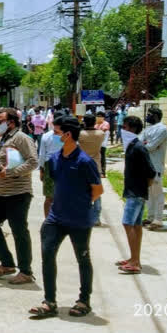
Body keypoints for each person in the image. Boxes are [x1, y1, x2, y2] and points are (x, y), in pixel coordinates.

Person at [29, 116, 103, 319]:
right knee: (47, 255)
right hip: (56, 218)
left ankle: (83, 300)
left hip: (79, 219)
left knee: (82, 258)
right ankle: (49, 301)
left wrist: (79, 204)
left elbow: (97, 190)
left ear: (68, 134)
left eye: (57, 131)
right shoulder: (54, 159)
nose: (54, 135)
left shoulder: (85, 162)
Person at [0, 109, 38, 285]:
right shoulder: (3, 137)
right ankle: (7, 264)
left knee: (19, 231)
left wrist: (11, 172)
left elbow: (33, 161)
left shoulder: (21, 138)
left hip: (17, 193)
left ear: (12, 122)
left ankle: (25, 271)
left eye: (1, 120)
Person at [115, 116, 156, 274]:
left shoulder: (138, 147)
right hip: (135, 191)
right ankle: (134, 258)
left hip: (136, 192)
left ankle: (134, 261)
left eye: (124, 127)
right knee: (136, 225)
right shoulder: (132, 146)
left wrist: (143, 187)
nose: (122, 130)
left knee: (128, 223)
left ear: (131, 128)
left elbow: (151, 171)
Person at [142, 108, 167, 230]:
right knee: (149, 193)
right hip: (146, 165)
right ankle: (150, 216)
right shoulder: (147, 129)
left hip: (156, 165)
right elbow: (140, 142)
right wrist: (145, 144)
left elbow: (151, 146)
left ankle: (158, 219)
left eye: (150, 115)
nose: (147, 116)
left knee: (157, 193)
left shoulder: (162, 129)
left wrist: (145, 144)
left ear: (157, 116)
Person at [79, 115, 106, 225]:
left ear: (84, 122)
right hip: (96, 165)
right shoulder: (101, 134)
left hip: (82, 165)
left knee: (82, 191)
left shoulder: (80, 134)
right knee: (97, 192)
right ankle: (96, 218)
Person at [38, 111, 66, 217]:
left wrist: (41, 170)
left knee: (49, 197)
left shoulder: (46, 136)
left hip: (49, 166)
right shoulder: (68, 136)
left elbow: (41, 155)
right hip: (63, 165)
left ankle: (48, 220)